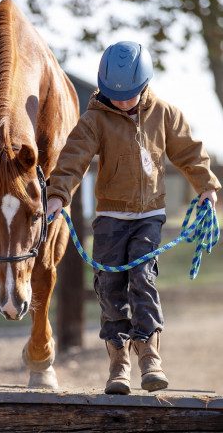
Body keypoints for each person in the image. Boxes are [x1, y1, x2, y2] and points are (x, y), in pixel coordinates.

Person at [47, 41, 221, 395]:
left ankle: (150, 357)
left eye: (130, 95)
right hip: (111, 218)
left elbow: (188, 149)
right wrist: (56, 195)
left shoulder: (164, 113)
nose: (123, 102)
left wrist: (206, 185)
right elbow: (73, 157)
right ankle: (118, 362)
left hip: (148, 216)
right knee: (110, 288)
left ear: (145, 84)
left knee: (143, 277)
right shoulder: (95, 118)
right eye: (115, 95)